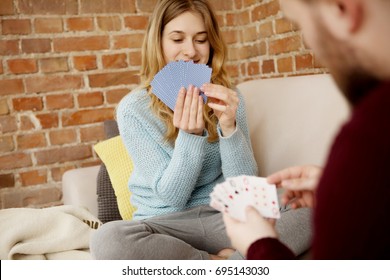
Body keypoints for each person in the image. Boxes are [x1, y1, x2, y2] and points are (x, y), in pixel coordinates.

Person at [90, 0, 311, 260]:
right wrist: (190, 136)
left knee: (313, 206)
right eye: (177, 39)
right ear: (158, 42)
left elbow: (243, 185)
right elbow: (173, 196)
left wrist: (229, 128)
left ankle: (234, 264)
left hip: (223, 216)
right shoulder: (133, 109)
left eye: (200, 39)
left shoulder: (228, 98)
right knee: (108, 239)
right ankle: (216, 263)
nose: (190, 51)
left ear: (211, 43)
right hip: (166, 224)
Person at [223, 0, 390, 259]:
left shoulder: (368, 138)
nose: (311, 44)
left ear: (341, 8)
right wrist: (335, 190)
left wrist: (260, 244)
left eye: (301, 24)